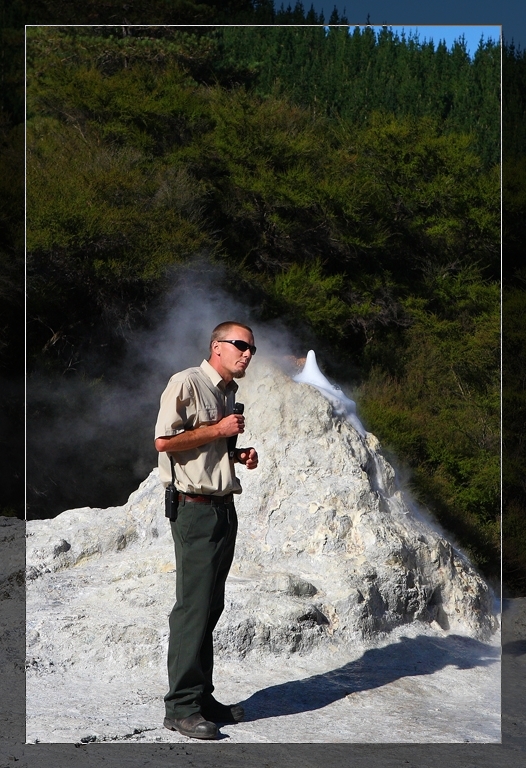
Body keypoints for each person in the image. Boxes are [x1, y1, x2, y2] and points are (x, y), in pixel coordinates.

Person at [154, 321, 258, 740]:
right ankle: (180, 708)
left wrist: (237, 453)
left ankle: (201, 697)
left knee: (210, 607)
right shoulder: (187, 382)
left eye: (251, 349)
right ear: (217, 346)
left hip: (222, 508)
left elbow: (209, 448)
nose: (247, 354)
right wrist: (219, 431)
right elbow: (164, 441)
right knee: (192, 609)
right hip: (194, 510)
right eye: (240, 346)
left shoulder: (228, 391)